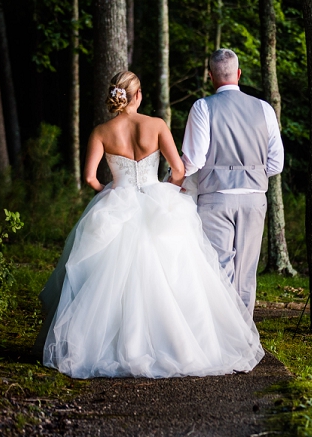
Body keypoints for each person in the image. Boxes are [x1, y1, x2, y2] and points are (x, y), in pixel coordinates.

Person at [36, 71, 264, 379]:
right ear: (138, 95)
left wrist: (109, 193)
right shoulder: (156, 126)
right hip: (158, 201)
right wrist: (169, 188)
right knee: (175, 277)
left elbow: (90, 177)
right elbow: (180, 170)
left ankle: (112, 346)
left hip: (119, 202)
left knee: (108, 279)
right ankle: (176, 344)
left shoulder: (102, 132)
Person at [181, 49, 284, 314]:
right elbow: (276, 164)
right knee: (246, 273)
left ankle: (223, 337)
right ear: (238, 74)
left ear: (210, 76)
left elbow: (193, 160)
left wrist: (174, 182)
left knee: (219, 269)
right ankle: (245, 338)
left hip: (216, 197)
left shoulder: (203, 107)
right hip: (254, 198)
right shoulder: (264, 109)